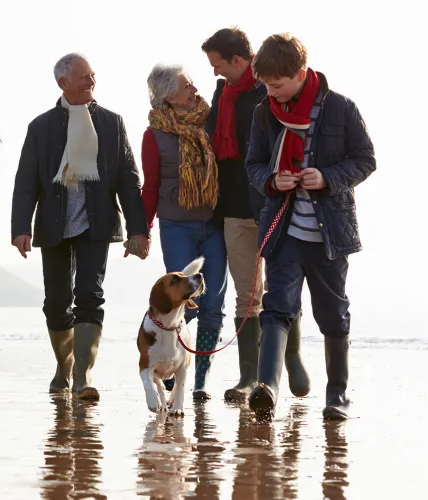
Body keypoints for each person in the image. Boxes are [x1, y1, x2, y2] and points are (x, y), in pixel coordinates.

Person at [245, 34, 376, 420]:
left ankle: (337, 397)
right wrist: (272, 179)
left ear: (300, 73)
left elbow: (366, 159)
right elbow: (253, 166)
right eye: (266, 85)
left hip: (330, 235)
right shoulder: (264, 113)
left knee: (333, 314)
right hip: (283, 231)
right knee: (276, 309)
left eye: (278, 84)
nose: (271, 92)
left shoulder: (341, 108)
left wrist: (328, 177)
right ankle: (266, 387)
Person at [11, 52, 150, 400]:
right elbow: (26, 182)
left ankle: (83, 376)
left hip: (96, 223)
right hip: (54, 225)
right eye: (85, 77)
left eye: (93, 76)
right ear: (64, 82)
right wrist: (20, 227)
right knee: (56, 303)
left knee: (90, 296)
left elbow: (129, 181)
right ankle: (65, 366)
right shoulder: (41, 127)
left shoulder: (111, 123)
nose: (92, 82)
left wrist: (138, 230)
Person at [201, 27, 310, 403]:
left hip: (272, 204)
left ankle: (291, 359)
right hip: (232, 208)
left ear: (237, 60)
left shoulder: (271, 91)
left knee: (281, 290)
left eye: (218, 64)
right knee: (248, 294)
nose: (214, 72)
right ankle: (249, 376)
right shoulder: (221, 94)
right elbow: (213, 144)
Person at [140, 63, 227, 400]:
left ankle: (200, 379)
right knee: (180, 303)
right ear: (170, 98)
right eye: (187, 85)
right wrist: (142, 230)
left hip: (215, 224)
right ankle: (173, 370)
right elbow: (150, 187)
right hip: (176, 226)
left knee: (213, 305)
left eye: (192, 84)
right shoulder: (155, 134)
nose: (194, 89)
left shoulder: (212, 121)